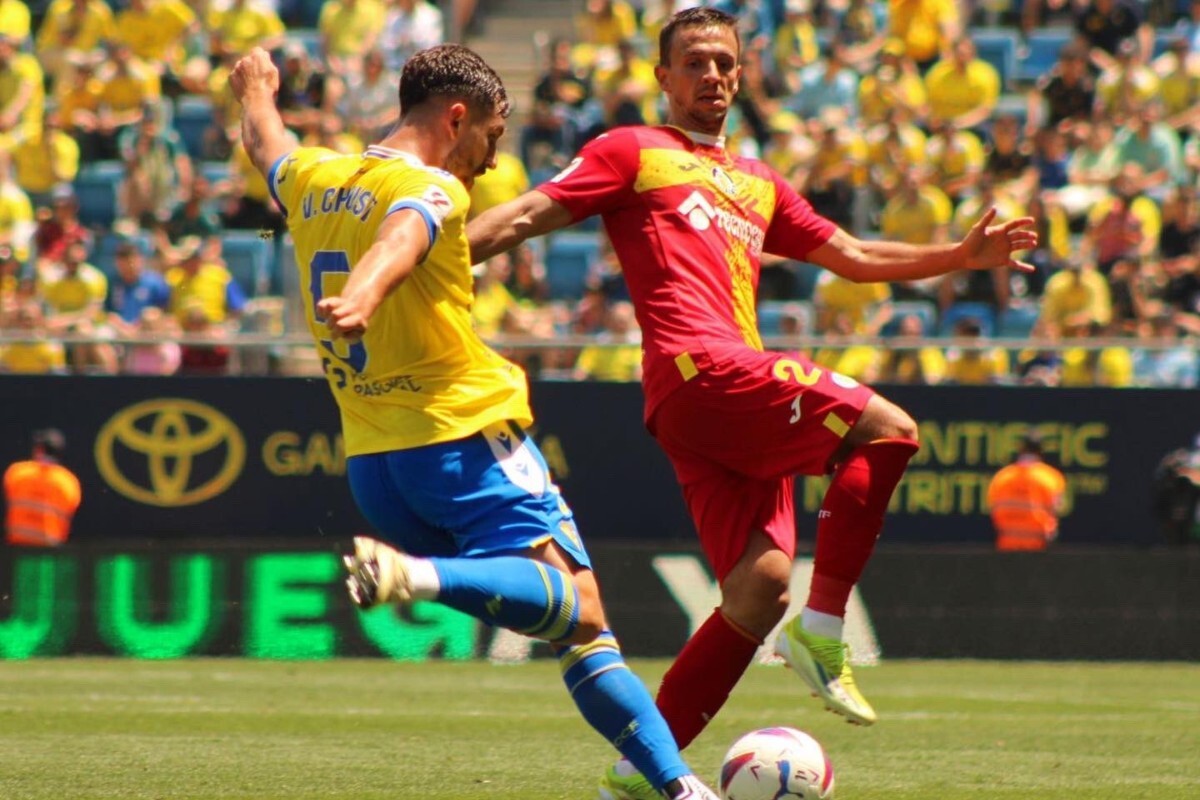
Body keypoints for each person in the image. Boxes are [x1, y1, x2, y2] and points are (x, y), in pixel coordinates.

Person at [467, 9, 1036, 798]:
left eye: (725, 64)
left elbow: (857, 255)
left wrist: (959, 256)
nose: (712, 76)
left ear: (742, 75)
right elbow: (527, 214)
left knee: (760, 587)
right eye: (694, 62)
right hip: (702, 371)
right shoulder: (633, 151)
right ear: (663, 77)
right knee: (890, 430)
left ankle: (638, 769)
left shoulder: (758, 183)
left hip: (711, 407)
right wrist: (427, 253)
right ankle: (826, 626)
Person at [229, 43, 718, 800]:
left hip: (375, 466)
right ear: (458, 118)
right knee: (578, 603)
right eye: (491, 136)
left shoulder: (315, 177)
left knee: (579, 631)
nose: (490, 161)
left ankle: (681, 789)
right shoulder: (432, 188)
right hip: (461, 440)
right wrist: (364, 292)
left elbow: (270, 145)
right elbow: (404, 233)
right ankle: (413, 576)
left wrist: (257, 91)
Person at [987, 433, 1067, 551]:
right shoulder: (1051, 478)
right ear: (1041, 450)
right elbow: (1056, 512)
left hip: (1007, 548)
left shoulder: (1002, 477)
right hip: (1038, 549)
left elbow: (993, 510)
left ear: (1021, 449)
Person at [4, 428, 81, 547]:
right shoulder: (68, 482)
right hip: (49, 552)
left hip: (16, 550)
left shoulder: (17, 472)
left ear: (38, 450)